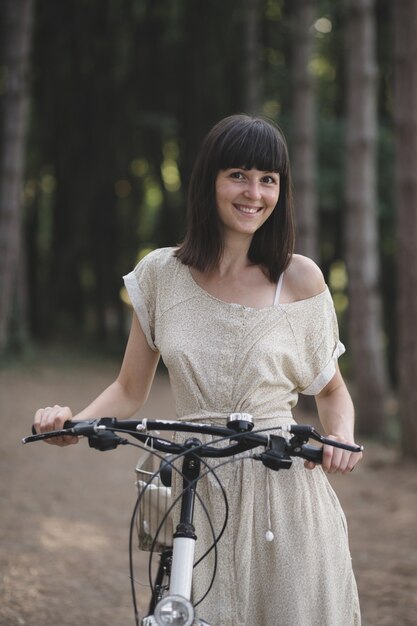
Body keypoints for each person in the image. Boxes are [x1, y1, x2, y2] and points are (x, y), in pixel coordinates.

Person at [34, 114, 362, 625]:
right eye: (239, 175)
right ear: (209, 179)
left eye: (268, 179)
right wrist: (74, 423)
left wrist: (340, 436)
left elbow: (333, 390)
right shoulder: (162, 274)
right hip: (199, 486)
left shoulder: (298, 278)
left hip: (284, 489)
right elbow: (128, 388)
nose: (254, 192)